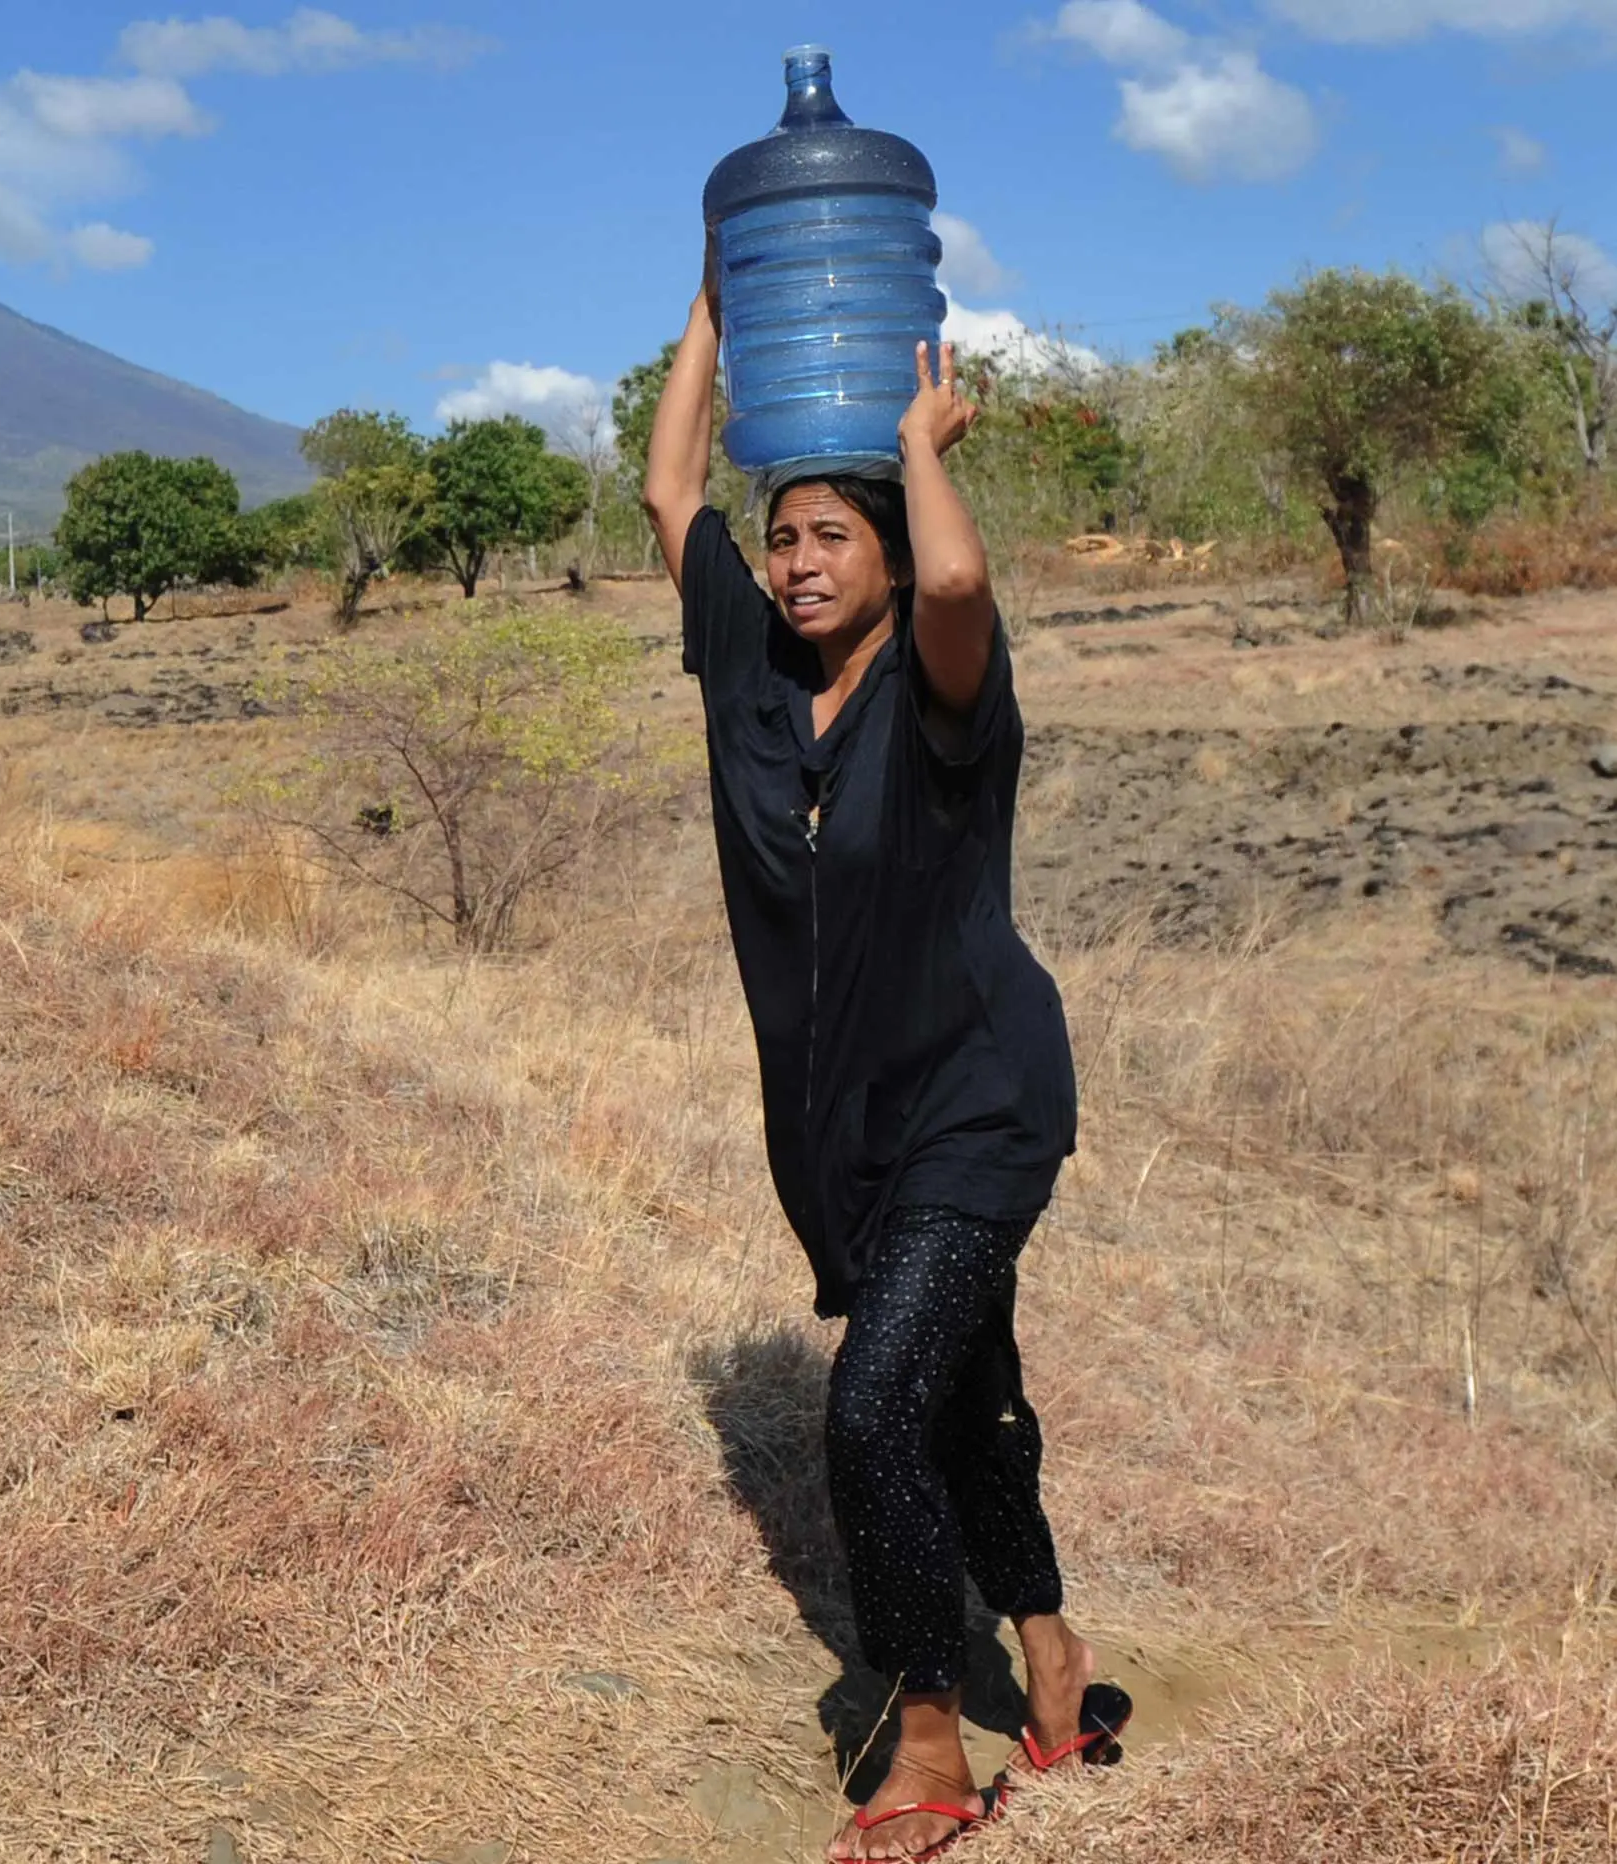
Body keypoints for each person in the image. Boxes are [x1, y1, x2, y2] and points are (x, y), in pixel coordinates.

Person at [639, 261, 1127, 1861]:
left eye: (825, 537)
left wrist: (920, 449)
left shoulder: (941, 694)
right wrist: (716, 310)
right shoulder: (747, 679)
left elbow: (964, 590)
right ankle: (1053, 1666)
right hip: (841, 1130)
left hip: (982, 1095)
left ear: (888, 552)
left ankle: (926, 1743)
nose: (790, 563)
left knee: (867, 1413)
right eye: (782, 539)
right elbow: (666, 485)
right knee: (963, 1389)